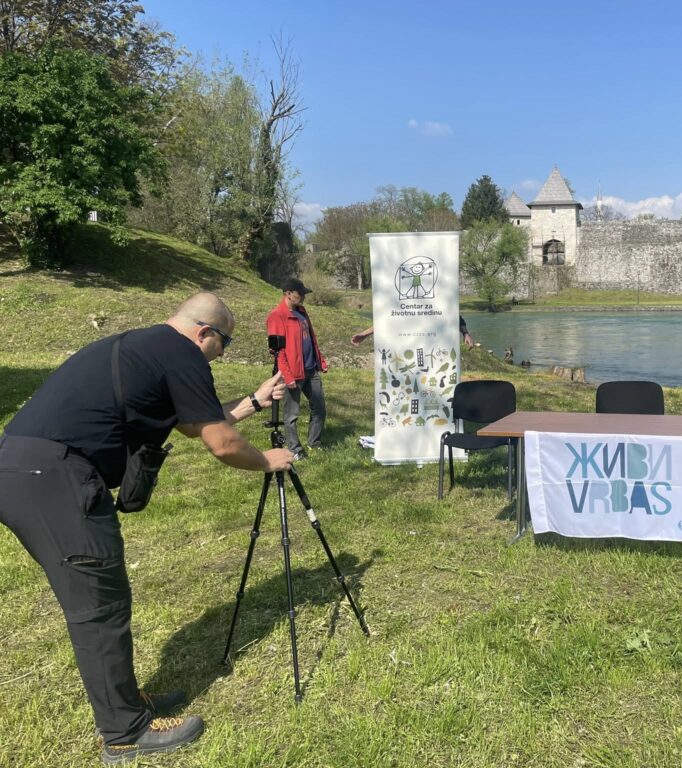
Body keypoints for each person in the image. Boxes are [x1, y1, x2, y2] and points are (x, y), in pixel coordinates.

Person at [0, 293, 294, 764]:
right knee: (99, 606)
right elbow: (220, 443)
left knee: (101, 598)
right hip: (54, 480)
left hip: (24, 469)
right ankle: (124, 732)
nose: (222, 354)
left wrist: (254, 403)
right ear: (205, 333)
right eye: (224, 345)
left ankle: (127, 703)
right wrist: (265, 460)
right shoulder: (182, 354)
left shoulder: (145, 346)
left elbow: (195, 421)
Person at [266, 278, 328, 460]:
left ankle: (314, 443)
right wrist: (287, 375)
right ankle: (295, 449)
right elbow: (278, 352)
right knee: (292, 414)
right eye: (300, 294)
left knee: (319, 408)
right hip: (293, 373)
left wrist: (320, 360)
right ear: (288, 294)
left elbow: (311, 338)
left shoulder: (301, 312)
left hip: (311, 370)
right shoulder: (277, 316)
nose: (303, 298)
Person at [350, 315, 474, 348]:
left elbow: (455, 317)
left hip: (433, 347)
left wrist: (465, 333)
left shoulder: (439, 298)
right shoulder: (403, 304)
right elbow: (388, 321)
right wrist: (364, 334)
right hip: (407, 348)